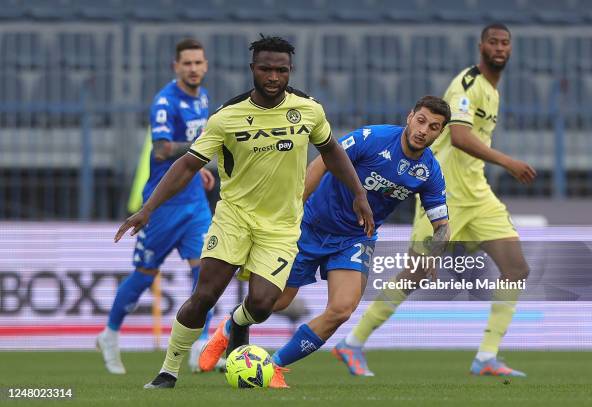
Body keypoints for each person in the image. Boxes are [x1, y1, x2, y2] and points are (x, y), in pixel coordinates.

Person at [114, 35, 374, 389]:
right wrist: (147, 209)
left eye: (280, 70)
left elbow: (331, 151)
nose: (273, 76)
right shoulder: (227, 117)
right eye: (265, 68)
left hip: (281, 225)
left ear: (290, 71)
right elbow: (188, 165)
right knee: (204, 296)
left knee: (265, 304)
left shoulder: (309, 110)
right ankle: (168, 371)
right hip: (234, 217)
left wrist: (358, 194)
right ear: (253, 69)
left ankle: (237, 324)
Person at [199, 96, 452, 387]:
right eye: (421, 120)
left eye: (433, 127)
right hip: (311, 226)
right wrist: (294, 211)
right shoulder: (373, 138)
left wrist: (435, 251)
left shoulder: (430, 172)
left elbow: (442, 225)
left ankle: (274, 367)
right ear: (410, 117)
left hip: (355, 239)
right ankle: (229, 327)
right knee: (274, 302)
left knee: (342, 309)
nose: (424, 130)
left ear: (440, 133)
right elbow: (322, 162)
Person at [337, 23, 536, 377]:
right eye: (494, 42)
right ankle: (352, 342)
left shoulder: (492, 91)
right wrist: (507, 161)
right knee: (416, 273)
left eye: (506, 43)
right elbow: (458, 136)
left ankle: (486, 356)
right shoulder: (468, 84)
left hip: (478, 193)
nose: (500, 48)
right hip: (445, 194)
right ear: (481, 47)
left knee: (516, 268)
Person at [96, 38, 217, 375]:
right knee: (144, 276)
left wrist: (202, 169)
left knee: (205, 272)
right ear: (175, 67)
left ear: (205, 66)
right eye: (187, 63)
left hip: (194, 202)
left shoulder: (203, 98)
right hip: (163, 204)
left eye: (198, 62)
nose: (193, 68)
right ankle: (109, 335)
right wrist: (201, 148)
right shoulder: (165, 102)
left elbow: (192, 155)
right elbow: (163, 151)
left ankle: (199, 346)